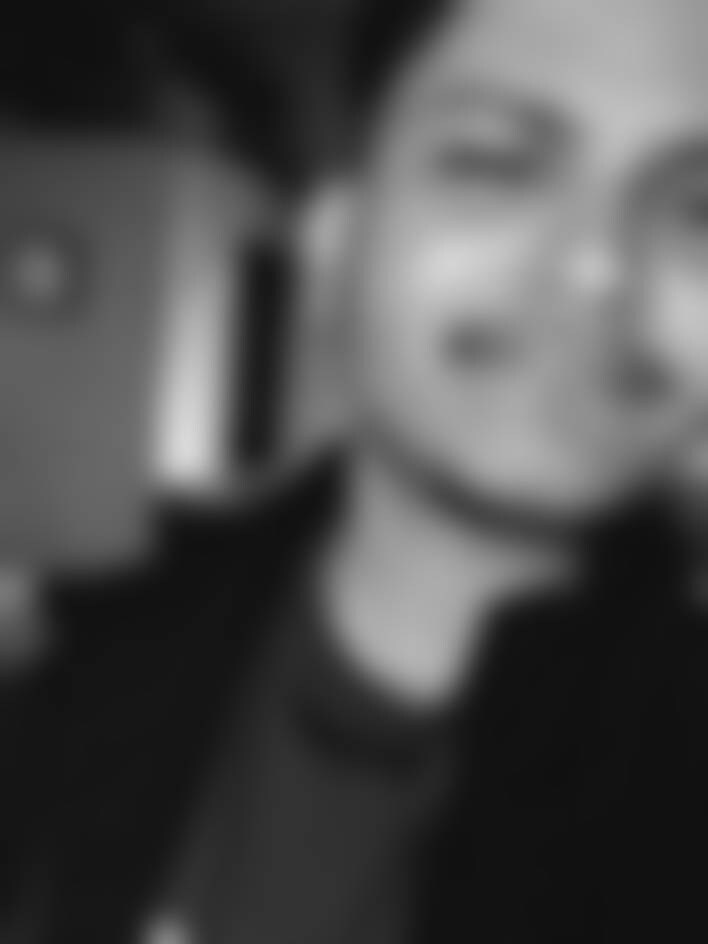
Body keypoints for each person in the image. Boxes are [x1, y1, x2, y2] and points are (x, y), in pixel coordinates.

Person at [20, 1, 708, 942]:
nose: (598, 269)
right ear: (337, 239)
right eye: (495, 164)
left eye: (698, 210)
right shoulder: (74, 657)